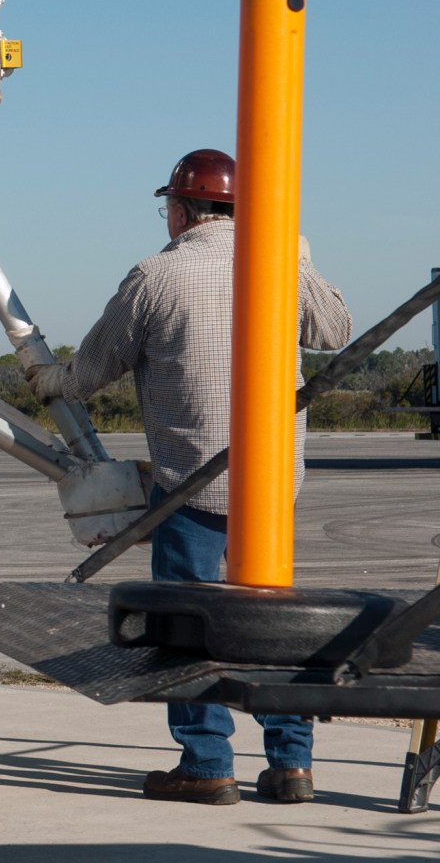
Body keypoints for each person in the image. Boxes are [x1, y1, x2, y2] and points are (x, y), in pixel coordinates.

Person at [30, 148, 353, 806]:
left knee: (188, 628)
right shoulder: (281, 257)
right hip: (270, 492)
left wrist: (47, 380)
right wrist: (297, 251)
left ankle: (207, 765)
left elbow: (91, 373)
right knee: (276, 633)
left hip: (189, 490)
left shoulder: (156, 276)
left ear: (180, 211)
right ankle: (292, 766)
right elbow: (337, 329)